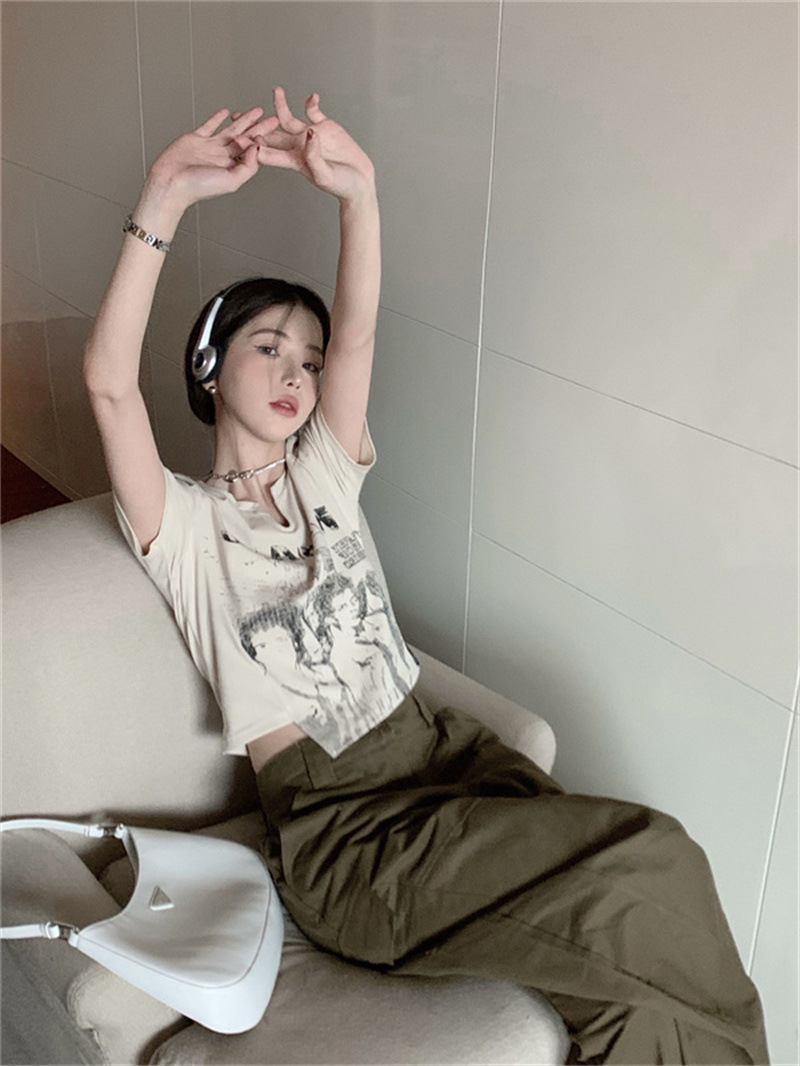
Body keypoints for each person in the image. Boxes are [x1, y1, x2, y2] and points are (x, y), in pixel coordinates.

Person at [84, 88, 769, 1065]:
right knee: (651, 860)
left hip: (447, 758)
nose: (296, 371)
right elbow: (109, 384)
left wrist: (358, 196)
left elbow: (360, 332)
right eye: (267, 347)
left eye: (308, 358)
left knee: (629, 986)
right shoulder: (184, 528)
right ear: (208, 366)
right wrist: (163, 194)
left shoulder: (324, 474)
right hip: (351, 835)